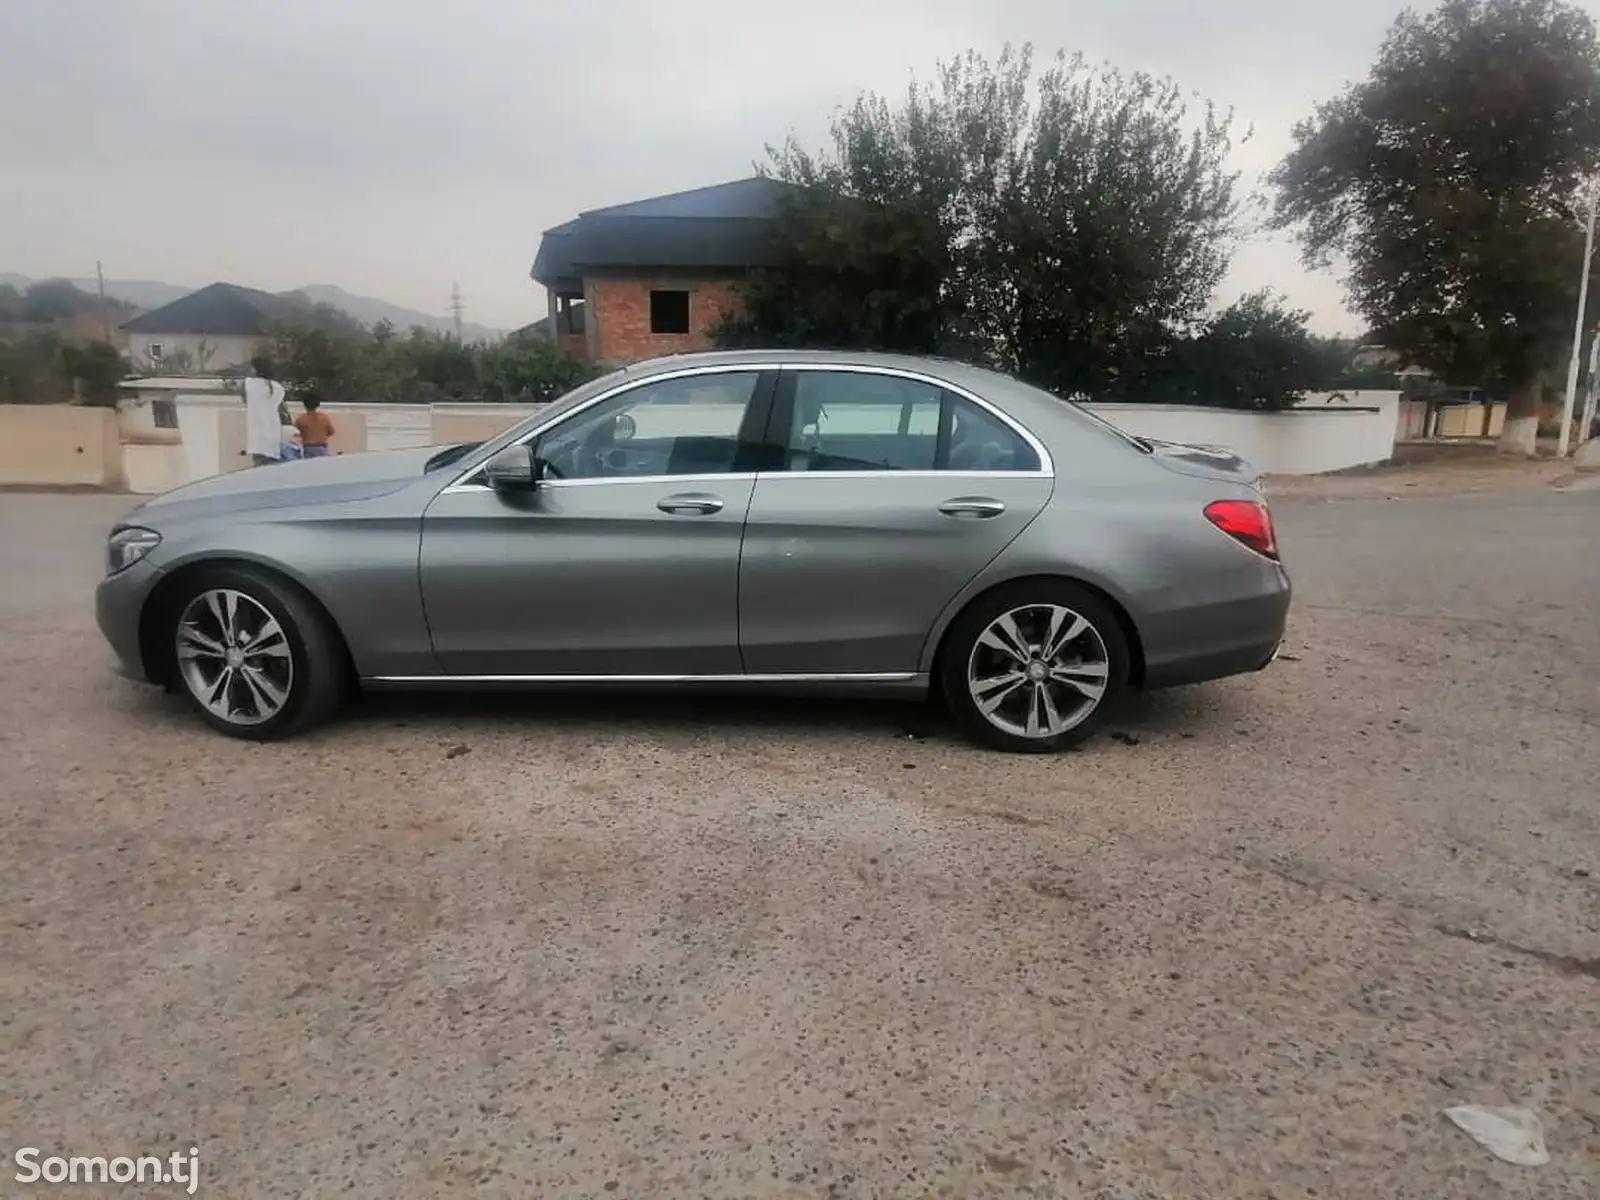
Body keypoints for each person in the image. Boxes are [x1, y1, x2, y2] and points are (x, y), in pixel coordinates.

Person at [242, 357, 288, 467]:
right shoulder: (278, 387)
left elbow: (244, 400)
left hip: (257, 438)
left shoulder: (248, 383)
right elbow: (282, 409)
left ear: (254, 369)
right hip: (273, 436)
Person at [293, 392, 336, 458]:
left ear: (304, 404)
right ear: (318, 404)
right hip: (322, 447)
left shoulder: (301, 419)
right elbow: (331, 432)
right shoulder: (324, 417)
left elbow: (295, 433)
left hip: (309, 448)